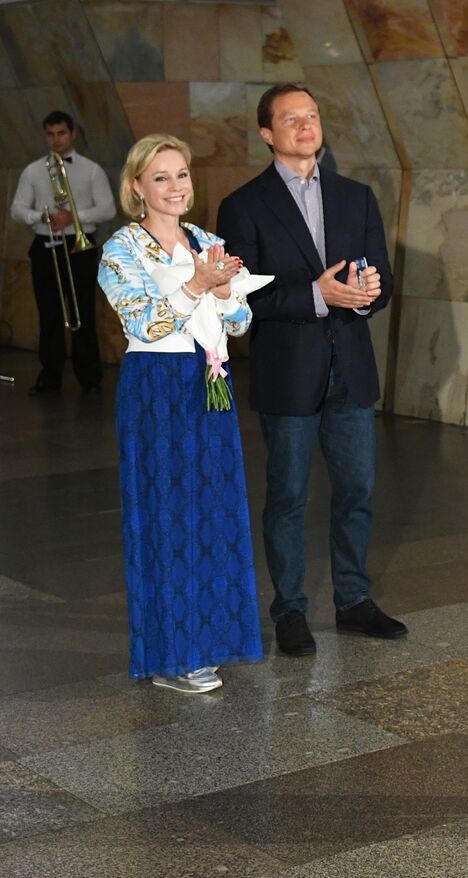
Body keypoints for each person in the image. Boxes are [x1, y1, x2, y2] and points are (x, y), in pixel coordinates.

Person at [216, 83, 406, 657]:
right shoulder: (243, 205)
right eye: (291, 118)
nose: (306, 126)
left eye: (313, 116)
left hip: (350, 368)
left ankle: (352, 601)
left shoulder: (357, 196)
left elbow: (381, 280)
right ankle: (290, 612)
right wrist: (318, 296)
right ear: (268, 134)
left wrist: (369, 293)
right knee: (289, 497)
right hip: (288, 373)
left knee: (357, 491)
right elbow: (240, 302)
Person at [97, 134, 264, 694]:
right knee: (168, 515)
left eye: (182, 175)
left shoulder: (206, 238)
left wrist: (222, 294)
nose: (175, 187)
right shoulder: (121, 249)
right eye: (161, 177)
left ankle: (212, 642)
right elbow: (144, 325)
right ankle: (171, 656)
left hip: (210, 380)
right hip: (157, 387)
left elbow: (240, 321)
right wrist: (199, 284)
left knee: (215, 512)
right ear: (137, 187)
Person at [9, 111, 115, 395]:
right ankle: (50, 376)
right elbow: (17, 209)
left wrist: (73, 217)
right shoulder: (33, 171)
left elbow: (108, 209)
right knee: (49, 314)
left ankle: (89, 376)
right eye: (51, 134)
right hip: (45, 247)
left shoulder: (91, 170)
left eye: (61, 133)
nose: (56, 140)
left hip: (79, 247)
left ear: (73, 134)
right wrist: (41, 217)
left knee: (83, 312)